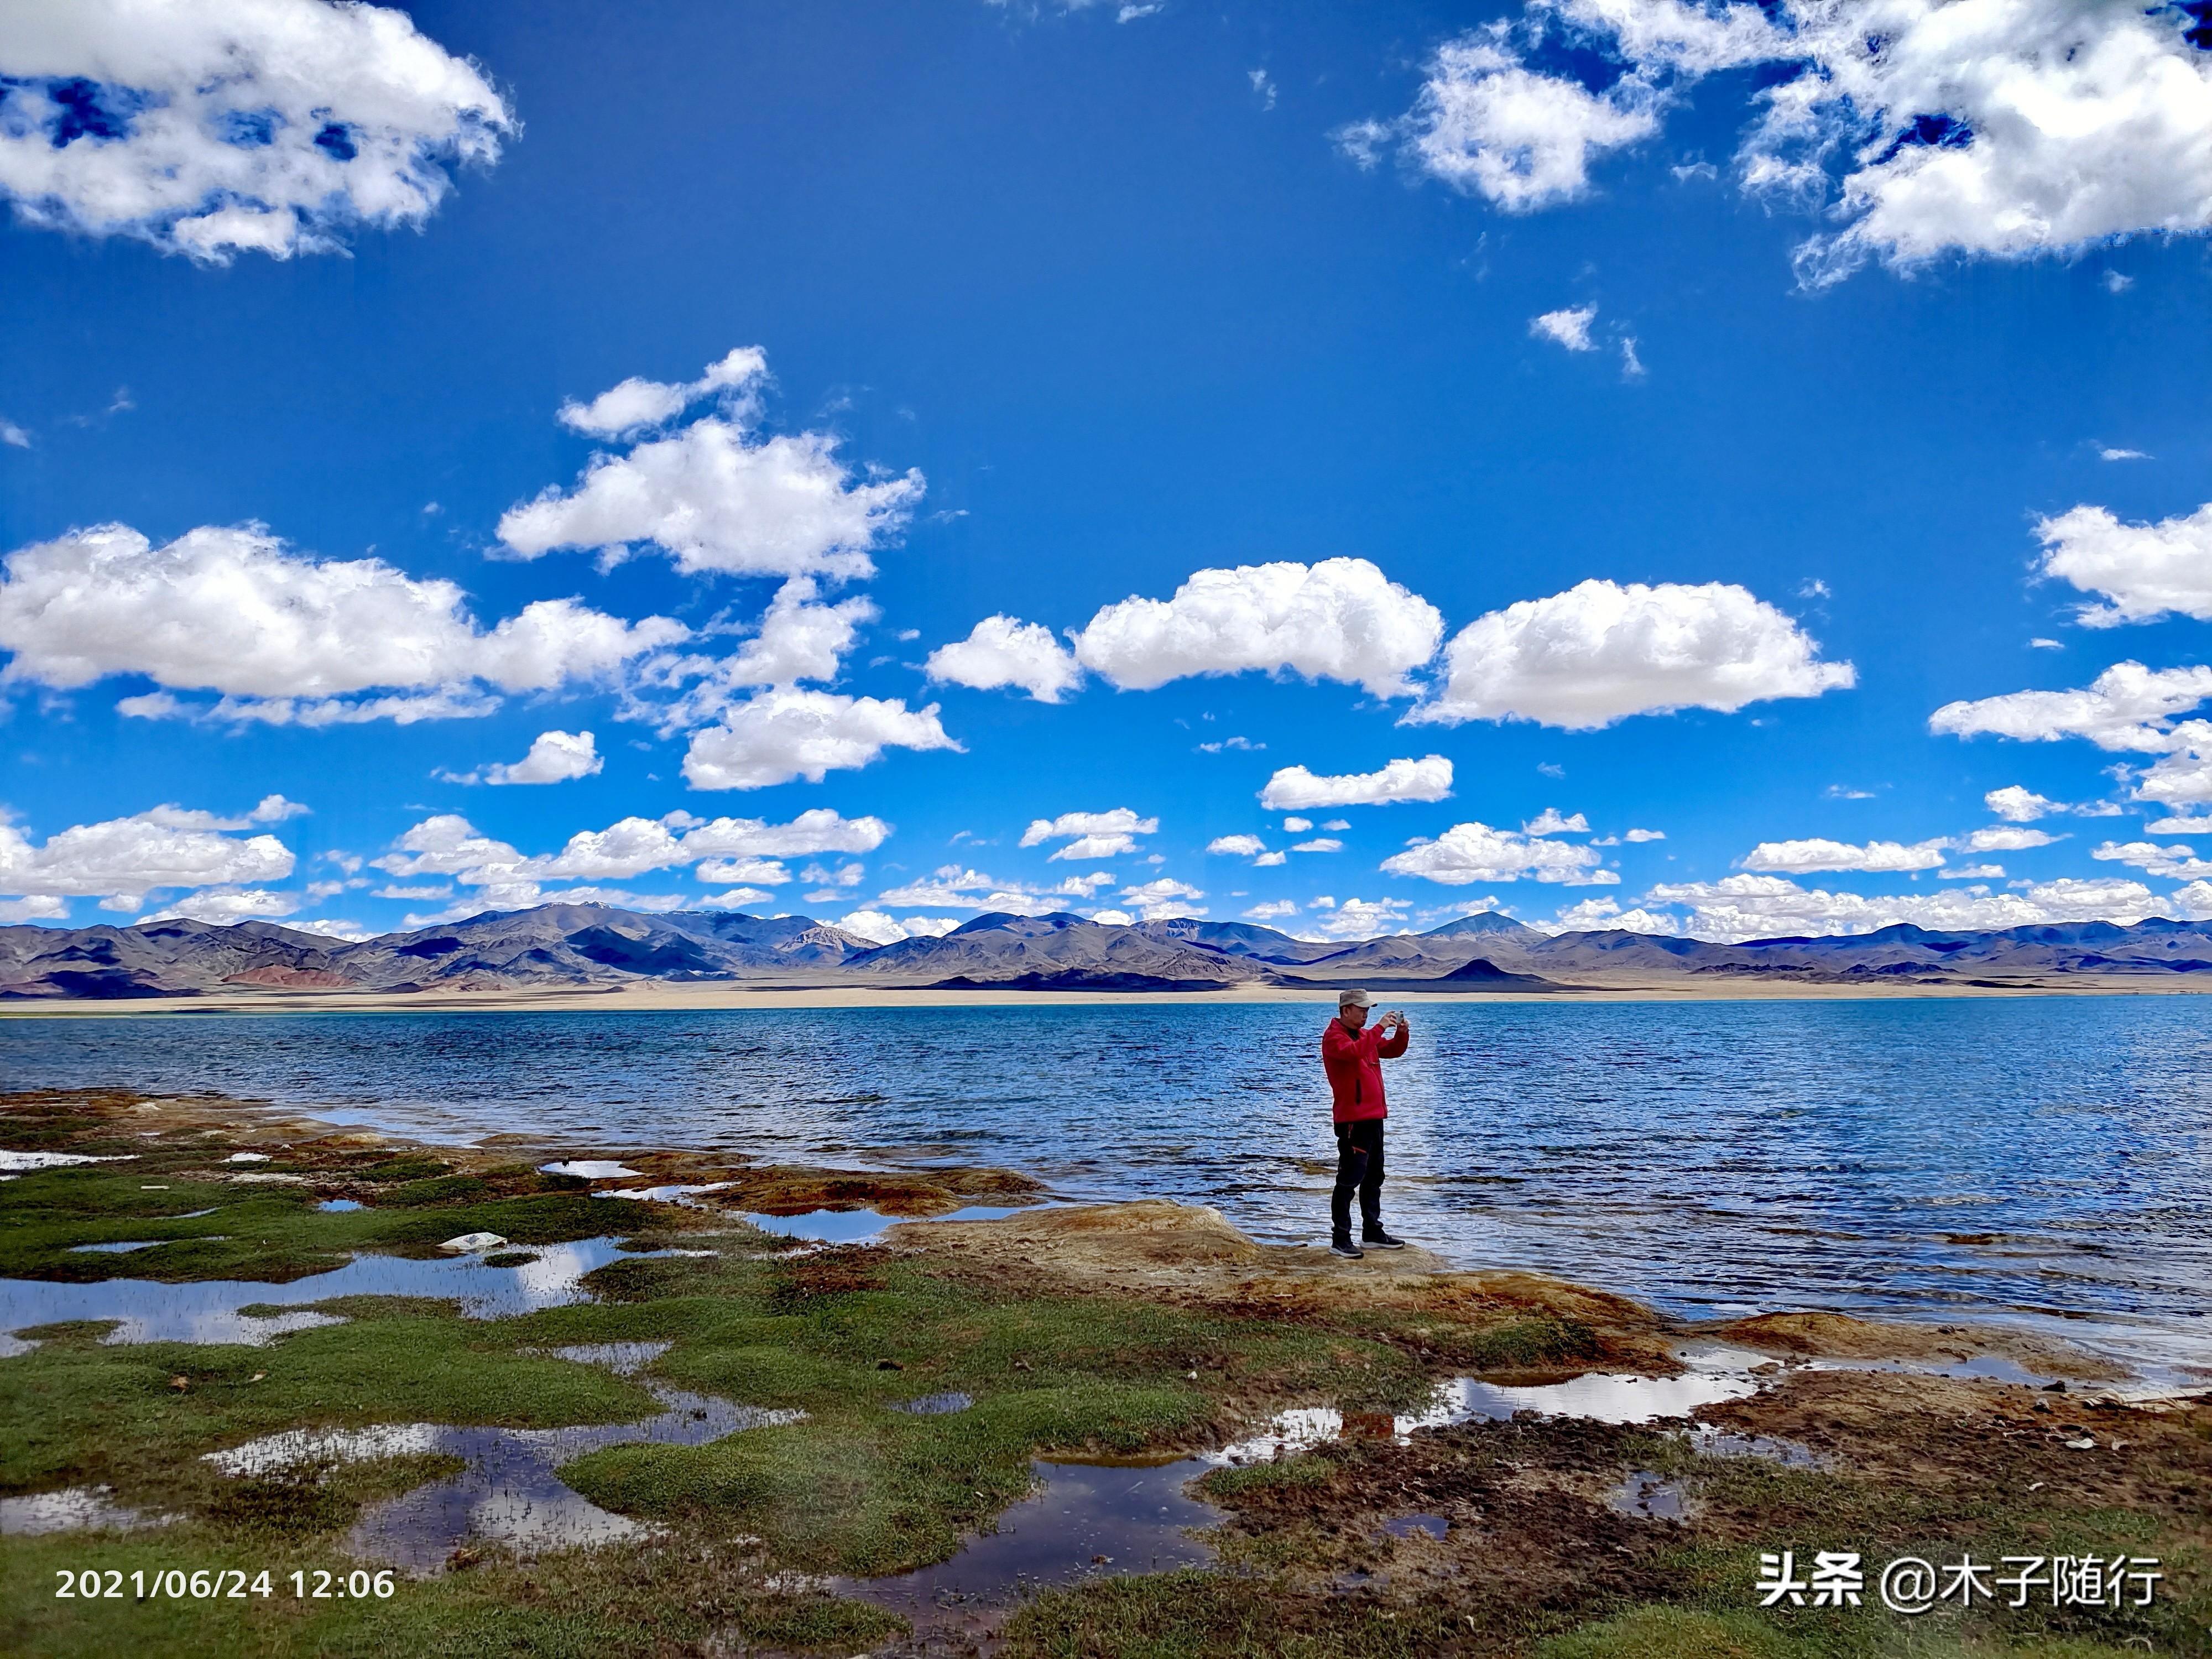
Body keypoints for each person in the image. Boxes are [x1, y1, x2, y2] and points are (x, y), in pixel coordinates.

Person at [1320, 988, 1409, 1259]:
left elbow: (1392, 1051)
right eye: (1362, 1009)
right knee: (1349, 1179)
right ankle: (1340, 1239)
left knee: (1374, 1177)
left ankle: (1372, 1232)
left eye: (1368, 1010)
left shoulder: (1363, 1035)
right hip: (1352, 1121)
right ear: (1346, 1010)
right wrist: (1380, 1027)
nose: (1366, 1014)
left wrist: (1401, 1033)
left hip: (1373, 1117)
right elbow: (1354, 1053)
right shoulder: (1334, 1037)